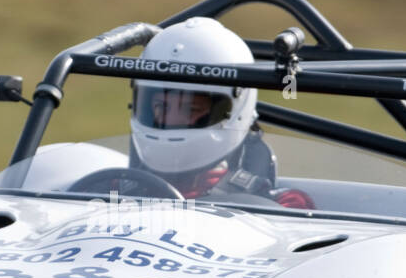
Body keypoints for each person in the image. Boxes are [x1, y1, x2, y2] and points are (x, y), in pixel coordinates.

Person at [129, 17, 314, 208]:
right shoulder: (113, 189)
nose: (172, 119)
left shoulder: (284, 205)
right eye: (161, 107)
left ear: (234, 110)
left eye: (191, 109)